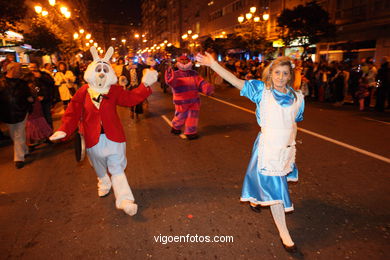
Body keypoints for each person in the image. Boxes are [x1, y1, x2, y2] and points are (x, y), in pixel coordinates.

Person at [196, 53, 304, 254]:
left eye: (285, 73)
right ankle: (284, 233)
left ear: (290, 76)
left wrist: (292, 145)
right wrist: (213, 64)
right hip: (267, 148)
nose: (280, 77)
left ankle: (255, 198)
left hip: (285, 149)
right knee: (277, 191)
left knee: (268, 182)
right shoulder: (261, 91)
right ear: (270, 74)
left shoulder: (297, 98)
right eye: (277, 73)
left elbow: (294, 122)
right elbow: (236, 81)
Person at [50, 47, 158, 216]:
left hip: (113, 136)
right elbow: (72, 112)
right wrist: (64, 130)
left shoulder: (113, 90)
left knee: (117, 169)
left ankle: (125, 200)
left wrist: (145, 85)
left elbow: (130, 99)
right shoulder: (82, 92)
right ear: (92, 71)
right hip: (92, 138)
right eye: (98, 69)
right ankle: (103, 182)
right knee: (99, 166)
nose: (101, 73)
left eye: (104, 70)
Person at [165, 55, 214, 140]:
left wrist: (207, 88)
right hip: (181, 100)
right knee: (180, 116)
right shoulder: (175, 74)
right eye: (182, 61)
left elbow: (200, 82)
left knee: (193, 117)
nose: (184, 63)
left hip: (194, 100)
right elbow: (171, 82)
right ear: (178, 63)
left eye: (186, 61)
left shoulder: (194, 74)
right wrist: (169, 76)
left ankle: (191, 132)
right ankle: (176, 127)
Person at [0, 62, 34, 169]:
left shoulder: (22, 83)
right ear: (11, 70)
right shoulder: (1, 83)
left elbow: (29, 95)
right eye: (19, 69)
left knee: (19, 133)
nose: (21, 71)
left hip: (21, 111)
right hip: (7, 113)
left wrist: (30, 100)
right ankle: (24, 149)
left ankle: (19, 158)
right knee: (14, 134)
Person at [28, 62, 55, 128]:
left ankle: (49, 132)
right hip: (34, 102)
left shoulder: (44, 74)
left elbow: (52, 82)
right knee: (37, 119)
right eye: (31, 67)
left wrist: (41, 77)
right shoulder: (27, 77)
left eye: (34, 67)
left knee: (47, 116)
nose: (33, 69)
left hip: (45, 100)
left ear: (38, 67)